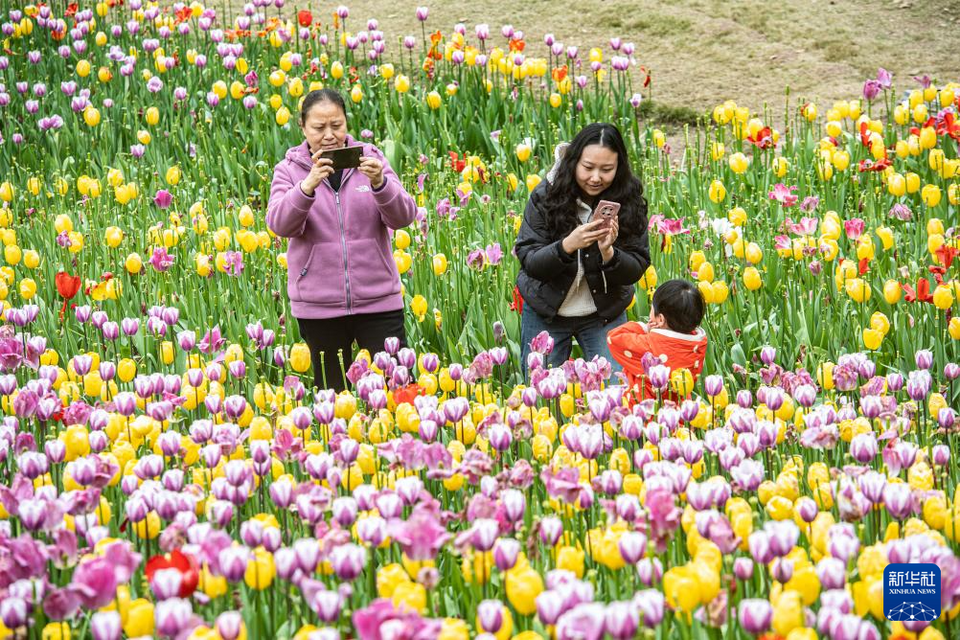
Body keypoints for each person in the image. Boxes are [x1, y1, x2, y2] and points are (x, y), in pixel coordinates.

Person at [266, 89, 417, 393]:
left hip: (379, 302)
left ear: (347, 123)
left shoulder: (371, 159)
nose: (329, 136)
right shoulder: (289, 170)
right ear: (303, 127)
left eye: (336, 125)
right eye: (319, 128)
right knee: (334, 402)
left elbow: (404, 216)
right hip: (320, 307)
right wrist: (307, 187)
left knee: (397, 392)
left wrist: (380, 184)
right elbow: (280, 224)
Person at [514, 122, 651, 376]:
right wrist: (567, 246)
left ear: (619, 168)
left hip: (603, 313)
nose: (596, 177)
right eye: (588, 167)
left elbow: (638, 265)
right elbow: (529, 260)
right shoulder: (546, 196)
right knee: (541, 396)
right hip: (546, 311)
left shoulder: (627, 200)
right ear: (574, 161)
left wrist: (610, 254)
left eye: (606, 169)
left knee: (617, 393)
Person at [606, 279, 708, 405]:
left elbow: (614, 338)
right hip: (679, 412)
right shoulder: (698, 345)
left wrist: (644, 328)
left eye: (652, 308)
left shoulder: (650, 346)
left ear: (660, 319)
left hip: (646, 411)